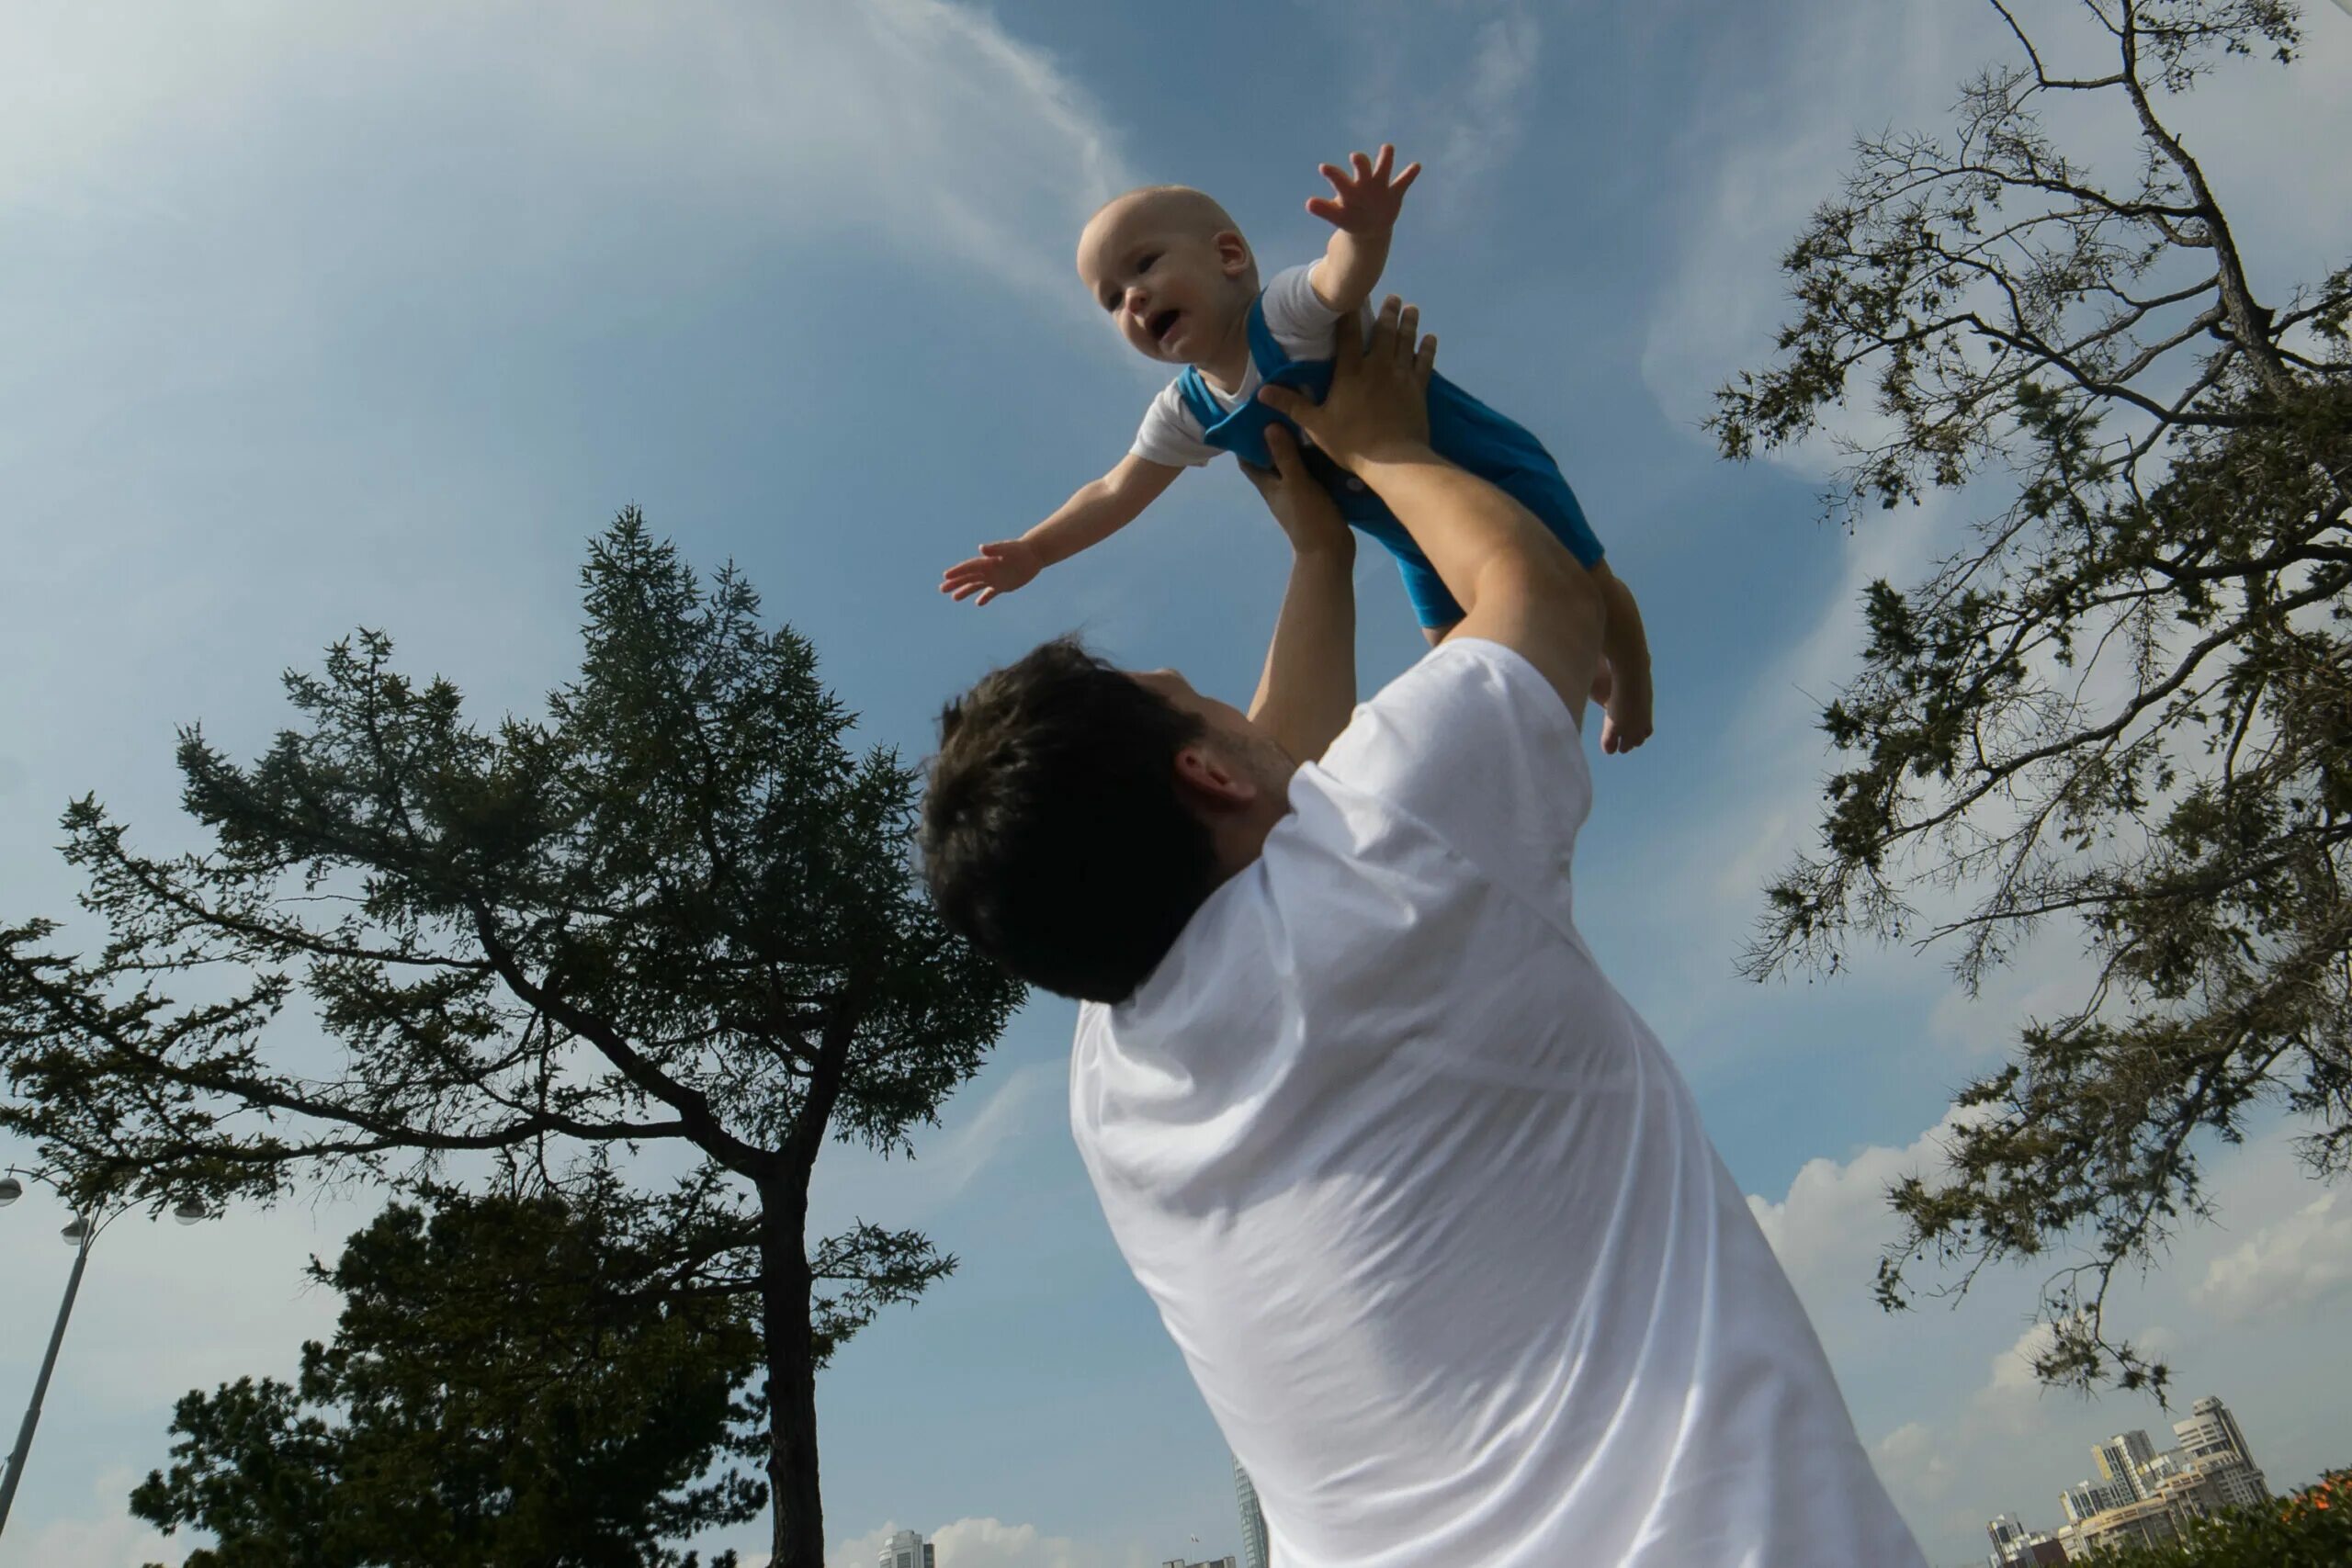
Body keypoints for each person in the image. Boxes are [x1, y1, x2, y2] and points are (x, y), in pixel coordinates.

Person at [918, 299, 1926, 1567]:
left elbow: (1275, 765)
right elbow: (1540, 594)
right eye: (1196, 698)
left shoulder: (1114, 1082)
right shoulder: (1391, 851)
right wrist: (1387, 443)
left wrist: (1320, 558)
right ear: (1207, 777)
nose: (1228, 702)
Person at [937, 146, 1653, 752]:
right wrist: (1037, 550)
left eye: (1144, 265)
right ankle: (1586, 683)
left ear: (1227, 255)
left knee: (1585, 581)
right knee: (1454, 645)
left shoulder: (1281, 317)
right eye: (1111, 298)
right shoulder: (1188, 409)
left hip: (1486, 467)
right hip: (1409, 534)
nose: (1132, 298)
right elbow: (1116, 490)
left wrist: (1366, 233)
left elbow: (1340, 276)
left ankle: (1632, 677)